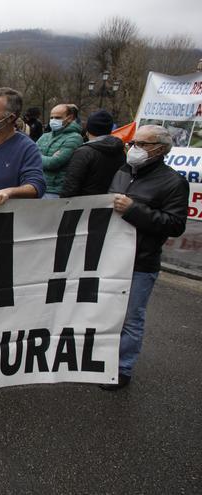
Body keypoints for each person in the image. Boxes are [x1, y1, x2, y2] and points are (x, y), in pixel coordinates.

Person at [102, 125, 189, 391]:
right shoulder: (123, 172)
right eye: (132, 143)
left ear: (161, 150)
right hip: (109, 257)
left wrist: (133, 210)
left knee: (131, 318)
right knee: (106, 314)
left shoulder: (174, 182)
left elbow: (174, 225)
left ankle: (121, 369)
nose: (134, 149)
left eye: (143, 144)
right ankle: (102, 362)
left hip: (141, 261)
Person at [60, 110, 125, 198]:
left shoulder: (84, 152)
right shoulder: (120, 151)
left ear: (88, 129)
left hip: (82, 205)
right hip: (108, 204)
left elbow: (71, 185)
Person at [36, 103, 84, 198]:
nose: (53, 120)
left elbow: (53, 163)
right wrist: (45, 158)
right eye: (51, 117)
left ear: (69, 118)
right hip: (37, 185)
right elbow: (29, 156)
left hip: (54, 190)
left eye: (58, 118)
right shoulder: (45, 136)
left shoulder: (75, 138)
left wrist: (37, 157)